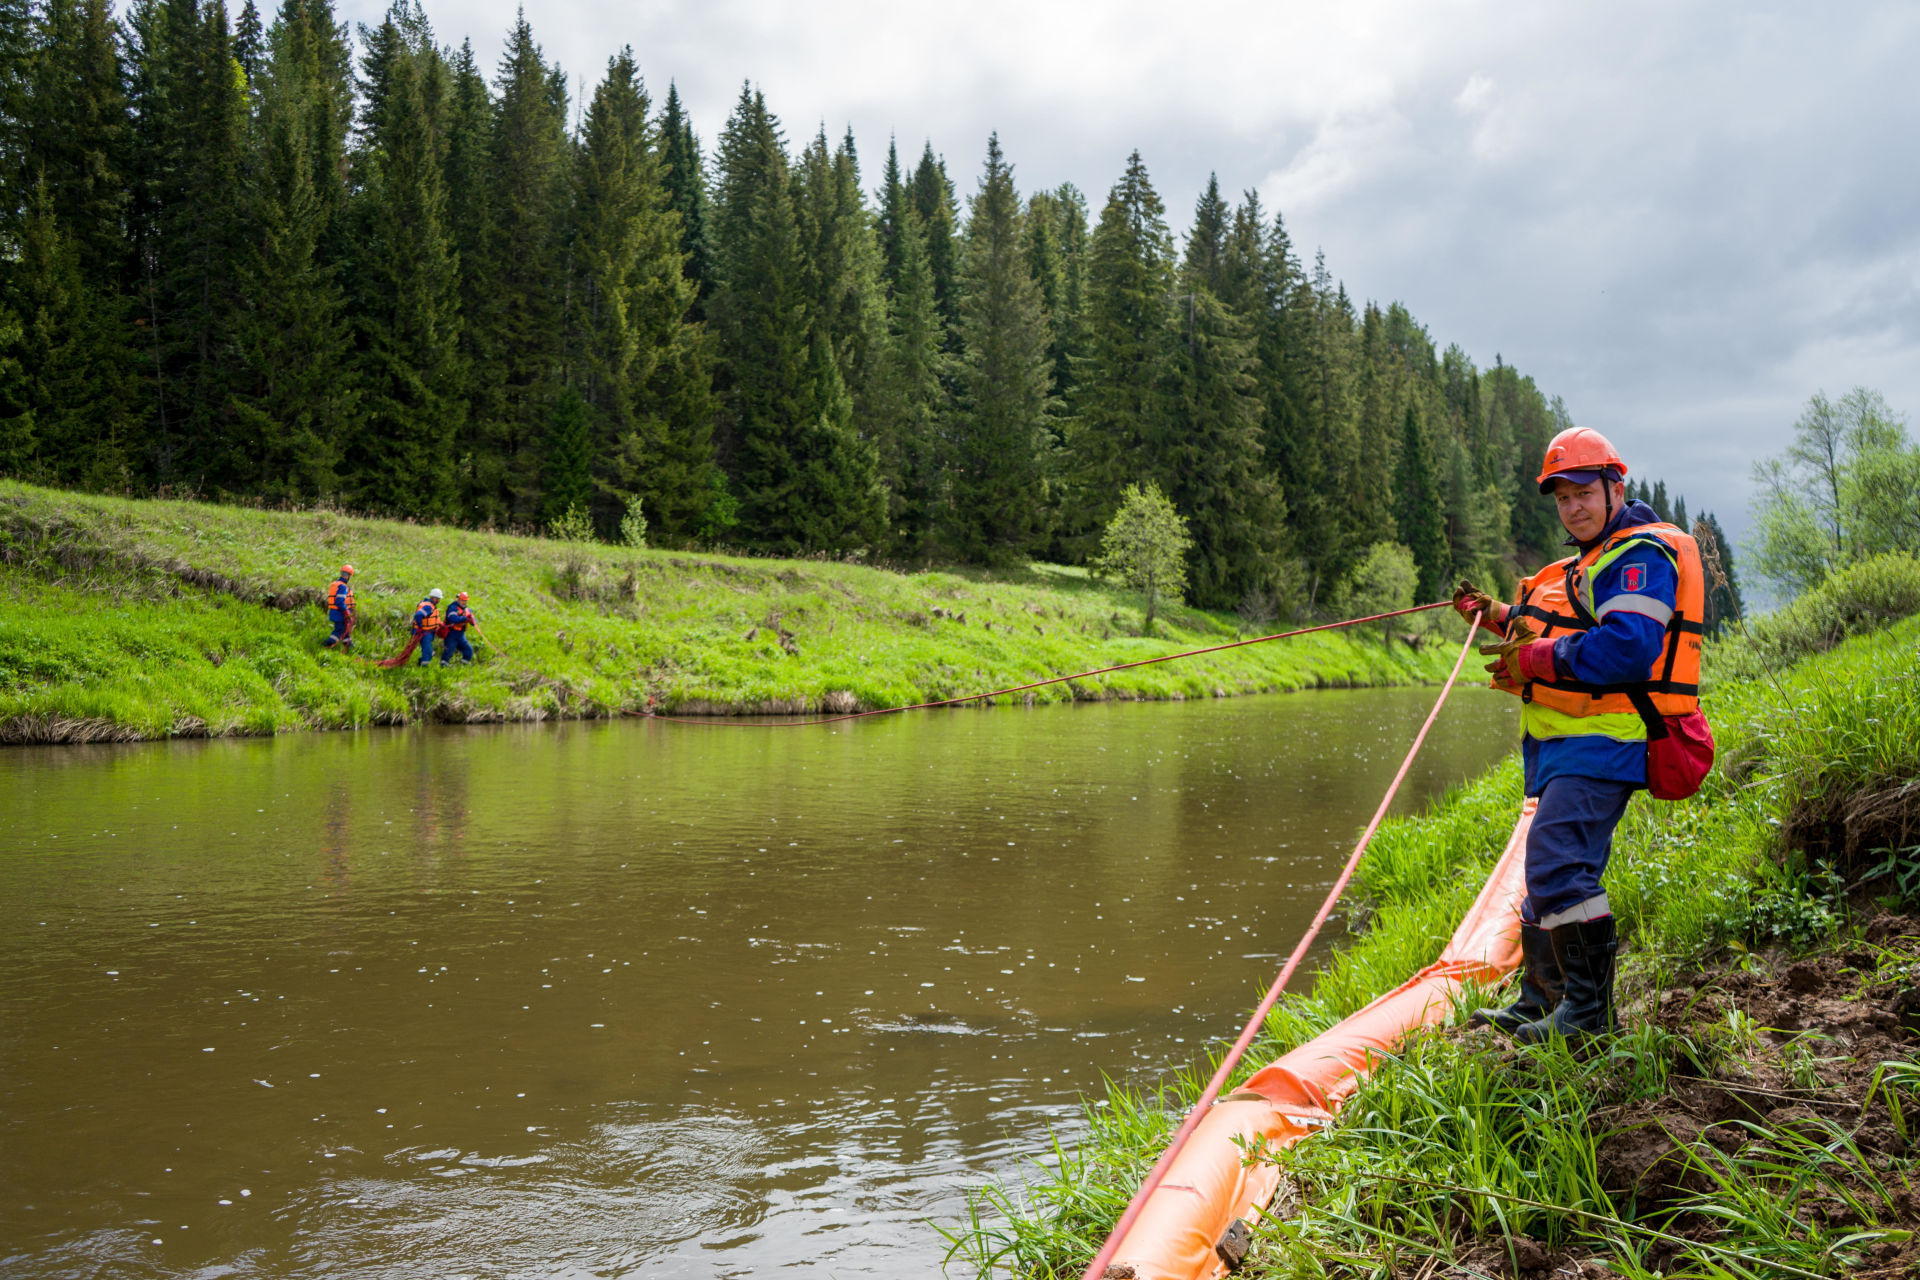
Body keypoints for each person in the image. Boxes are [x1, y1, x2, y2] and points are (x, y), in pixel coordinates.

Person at [1453, 426, 1703, 1048]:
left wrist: (1534, 660)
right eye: (1561, 499)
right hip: (1565, 746)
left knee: (1559, 860)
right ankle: (1544, 999)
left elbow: (1626, 646)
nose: (1573, 508)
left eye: (1583, 492)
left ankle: (1588, 1018)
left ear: (1615, 486)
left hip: (1609, 740)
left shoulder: (1641, 555)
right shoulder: (1594, 560)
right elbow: (1568, 623)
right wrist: (1499, 617)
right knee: (1551, 864)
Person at [322, 565, 357, 651]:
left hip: (336, 612)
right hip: (340, 613)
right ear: (348, 576)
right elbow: (339, 601)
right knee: (339, 630)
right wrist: (346, 612)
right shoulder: (342, 587)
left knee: (345, 630)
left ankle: (349, 646)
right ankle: (326, 644)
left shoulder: (336, 584)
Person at [440, 592, 476, 665]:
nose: (464, 602)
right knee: (448, 652)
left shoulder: (468, 610)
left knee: (468, 651)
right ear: (458, 600)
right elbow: (452, 618)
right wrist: (465, 618)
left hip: (461, 635)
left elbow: (474, 621)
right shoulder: (452, 608)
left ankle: (463, 666)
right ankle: (443, 668)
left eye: (465, 601)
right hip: (451, 634)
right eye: (462, 600)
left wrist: (472, 620)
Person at [412, 588, 444, 666]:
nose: (439, 600)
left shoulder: (431, 606)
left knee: (428, 651)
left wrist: (441, 624)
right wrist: (420, 627)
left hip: (428, 632)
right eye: (439, 599)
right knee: (428, 652)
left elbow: (434, 619)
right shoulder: (428, 607)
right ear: (434, 598)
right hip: (424, 632)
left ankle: (421, 663)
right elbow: (418, 615)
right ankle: (423, 667)